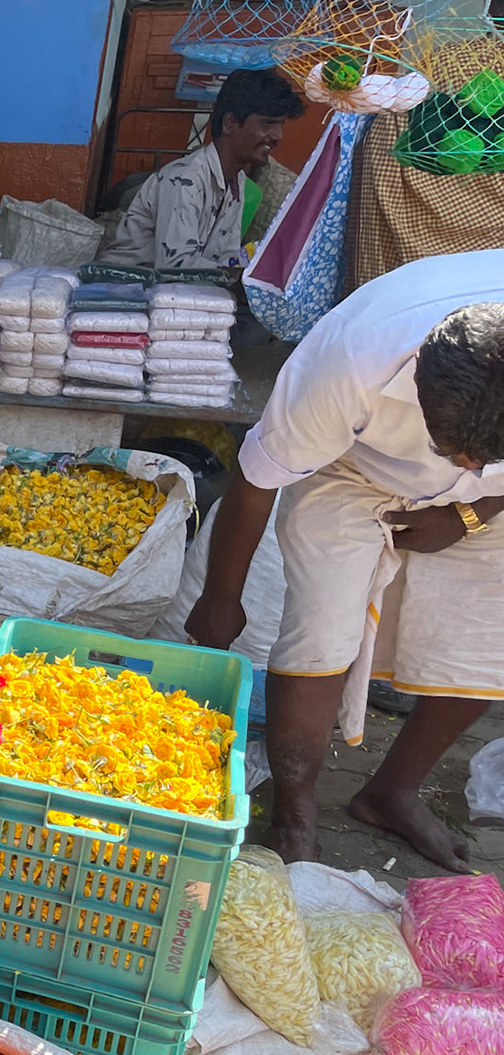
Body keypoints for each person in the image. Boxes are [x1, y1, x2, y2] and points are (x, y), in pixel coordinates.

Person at [186, 251, 504, 873]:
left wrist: (471, 510)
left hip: (493, 502)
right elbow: (257, 481)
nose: (465, 466)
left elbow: (479, 470)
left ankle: (391, 794)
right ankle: (294, 815)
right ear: (416, 382)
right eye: (453, 451)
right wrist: (222, 598)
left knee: (484, 643)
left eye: (482, 455)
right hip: (351, 467)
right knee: (320, 635)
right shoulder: (348, 363)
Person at [102, 69, 304, 271]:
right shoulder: (185, 180)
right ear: (230, 123)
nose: (278, 136)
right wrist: (234, 277)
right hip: (124, 289)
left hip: (174, 294)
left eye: (280, 125)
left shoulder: (236, 182)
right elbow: (175, 266)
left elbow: (225, 259)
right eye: (268, 123)